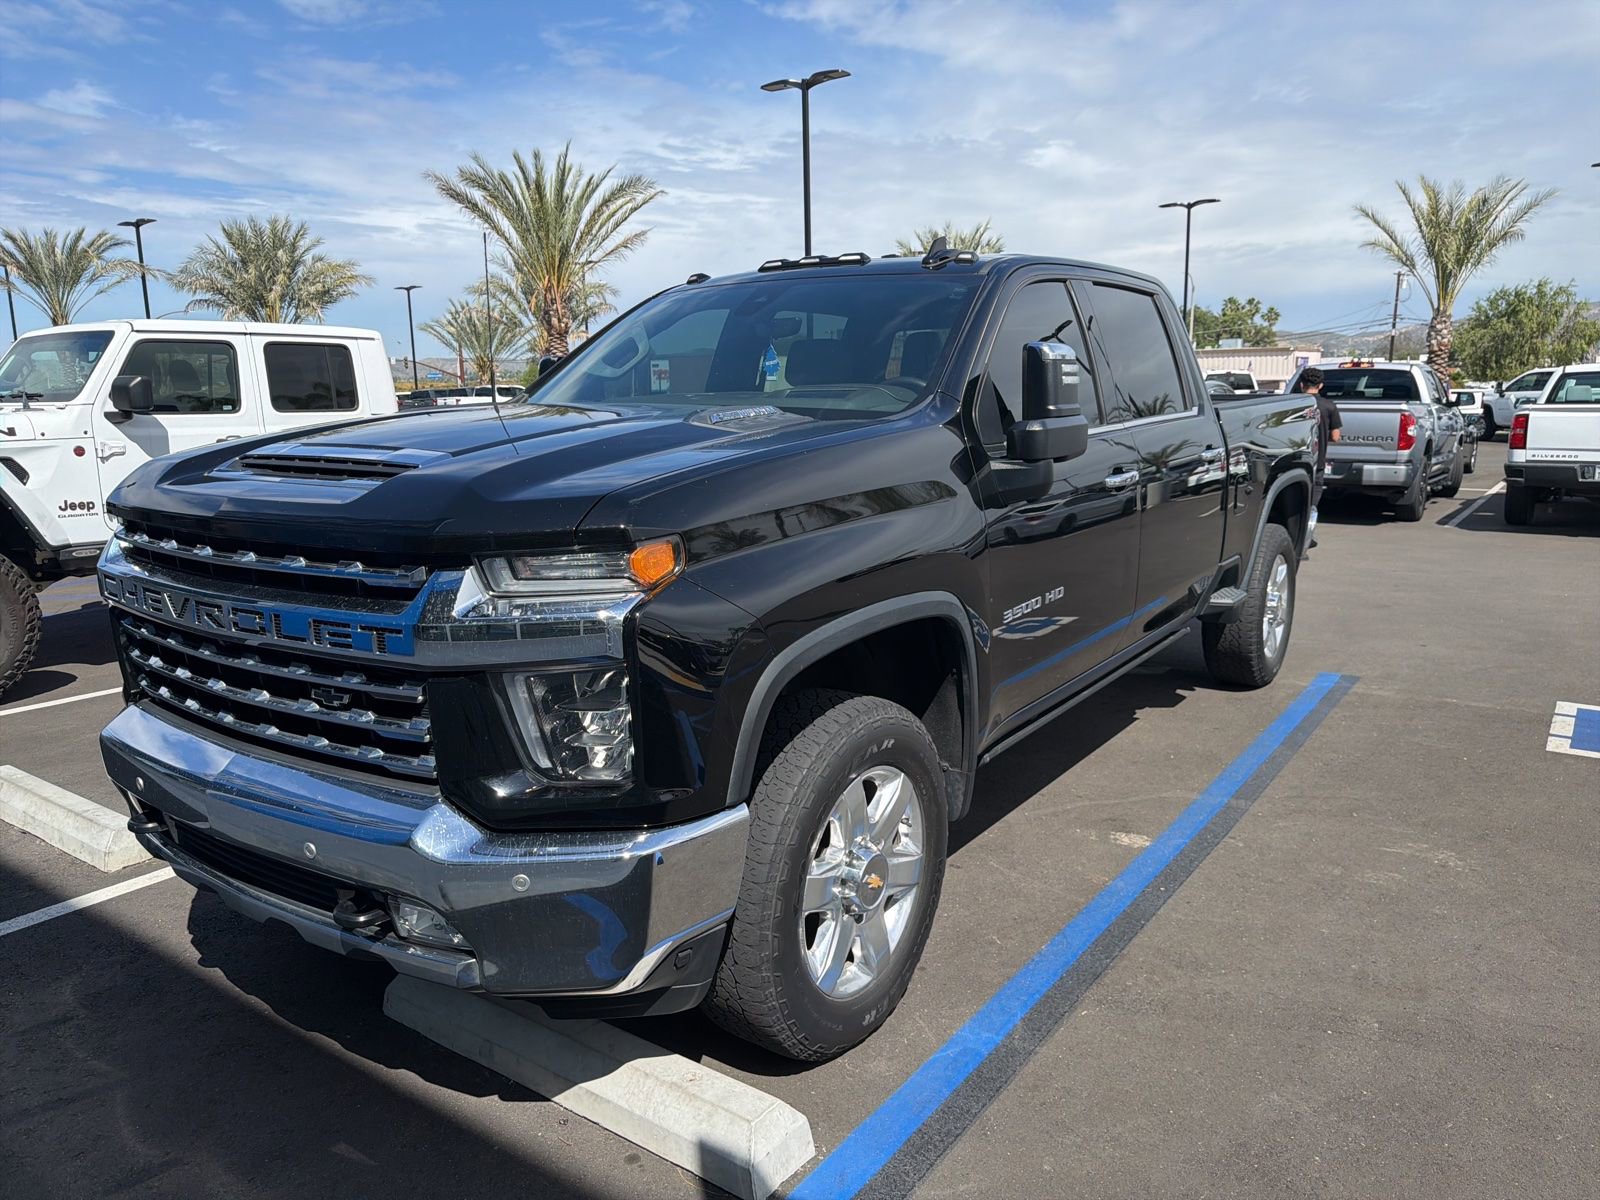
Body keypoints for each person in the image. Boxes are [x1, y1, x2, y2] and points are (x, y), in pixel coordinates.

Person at [1301, 367, 1341, 550]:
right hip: (1317, 462)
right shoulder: (1329, 406)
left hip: (1298, 462)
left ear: (1302, 385)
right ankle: (1307, 537)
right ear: (1321, 385)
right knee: (1312, 502)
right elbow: (1335, 436)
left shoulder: (1295, 404)